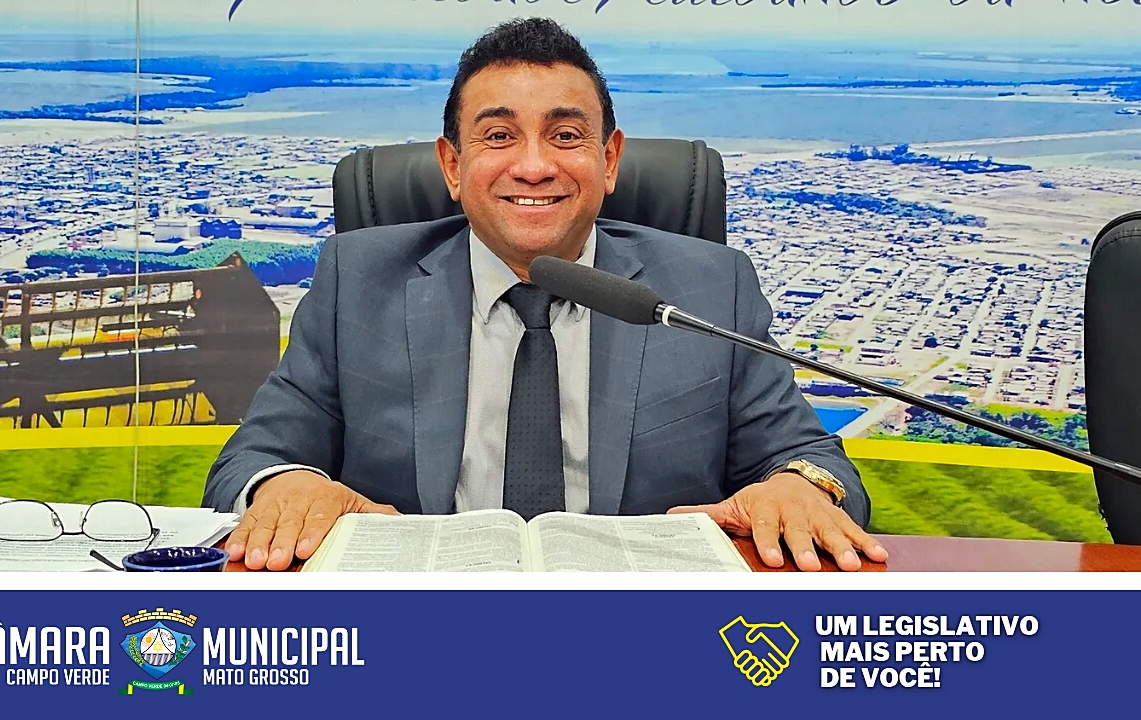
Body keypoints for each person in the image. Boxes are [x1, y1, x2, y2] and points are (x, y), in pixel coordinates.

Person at [204, 17, 887, 572]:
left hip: (645, 627)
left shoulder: (709, 288)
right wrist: (286, 485)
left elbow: (812, 460)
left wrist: (797, 489)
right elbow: (252, 459)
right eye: (499, 136)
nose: (534, 166)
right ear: (452, 165)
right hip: (418, 621)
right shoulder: (358, 279)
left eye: (565, 136)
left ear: (609, 160)